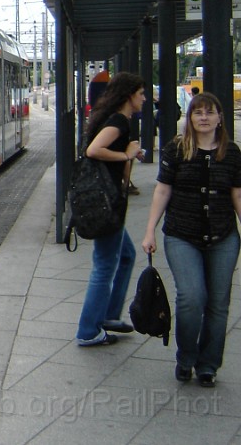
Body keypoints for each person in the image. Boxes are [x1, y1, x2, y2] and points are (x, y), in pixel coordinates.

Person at [141, 92, 241, 387]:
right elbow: (162, 190)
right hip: (181, 234)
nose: (204, 118)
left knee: (218, 304)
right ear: (190, 118)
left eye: (210, 113)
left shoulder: (232, 153)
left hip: (223, 236)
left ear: (220, 118)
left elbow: (237, 194)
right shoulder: (176, 150)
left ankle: (208, 364)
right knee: (192, 297)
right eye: (198, 113)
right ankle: (186, 356)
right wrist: (150, 230)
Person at [76, 72, 145, 346]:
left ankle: (109, 315)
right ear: (129, 95)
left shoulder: (115, 119)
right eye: (141, 93)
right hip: (107, 202)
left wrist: (128, 157)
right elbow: (94, 150)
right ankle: (89, 330)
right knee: (104, 266)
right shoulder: (118, 120)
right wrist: (126, 154)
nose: (144, 98)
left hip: (105, 199)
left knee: (126, 255)